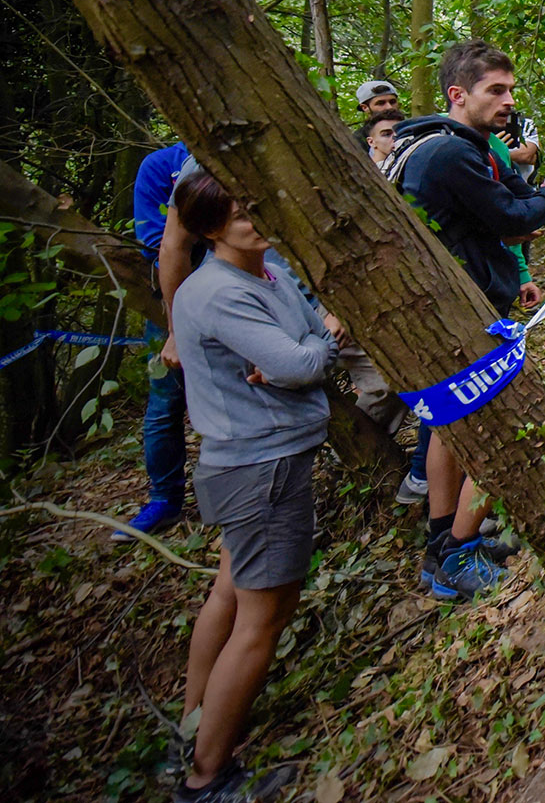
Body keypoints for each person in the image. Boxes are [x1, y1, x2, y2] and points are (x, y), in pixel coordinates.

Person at [389, 38, 545, 598]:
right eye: (495, 91)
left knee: (449, 426)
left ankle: (442, 541)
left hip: (449, 307)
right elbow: (514, 214)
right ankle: (457, 553)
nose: (508, 101)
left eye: (510, 90)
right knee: (490, 427)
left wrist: (526, 211)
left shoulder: (441, 145)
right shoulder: (449, 153)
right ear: (458, 94)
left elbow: (507, 214)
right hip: (463, 313)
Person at [168, 170, 335, 803]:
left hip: (256, 462)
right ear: (210, 229)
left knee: (232, 590)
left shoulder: (268, 271)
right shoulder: (215, 292)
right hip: (257, 468)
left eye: (255, 205)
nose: (253, 219)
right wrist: (316, 344)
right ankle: (207, 776)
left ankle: (194, 723)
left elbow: (306, 339)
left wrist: (309, 343)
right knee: (264, 617)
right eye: (237, 214)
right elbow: (300, 361)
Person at [117, 141, 197, 541]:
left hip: (244, 288)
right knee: (165, 399)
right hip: (169, 300)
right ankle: (164, 498)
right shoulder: (160, 165)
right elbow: (155, 239)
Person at [498, 107, 541, 183]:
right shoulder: (485, 124)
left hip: (524, 184)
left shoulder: (527, 124)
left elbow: (526, 155)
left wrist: (495, 152)